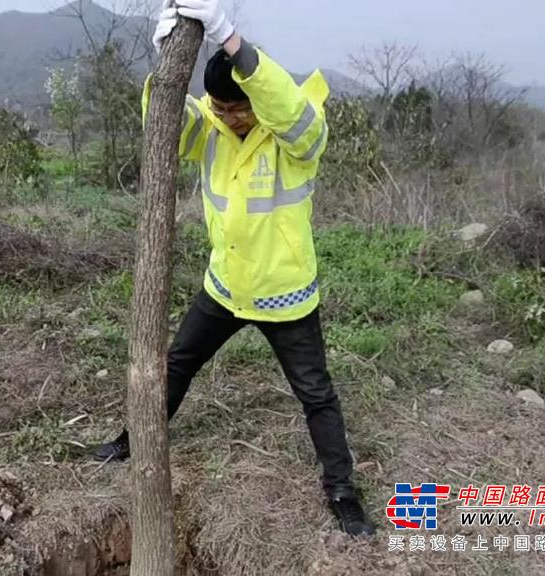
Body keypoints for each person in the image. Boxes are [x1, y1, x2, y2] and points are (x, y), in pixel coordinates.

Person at [93, 0, 375, 536]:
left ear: (258, 98)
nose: (229, 118)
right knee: (176, 365)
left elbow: (291, 113)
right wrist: (162, 73)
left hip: (285, 294)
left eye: (239, 109)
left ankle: (341, 491)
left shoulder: (298, 137)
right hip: (224, 287)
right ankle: (132, 441)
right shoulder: (211, 128)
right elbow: (165, 133)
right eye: (221, 108)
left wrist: (234, 45)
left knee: (315, 393)